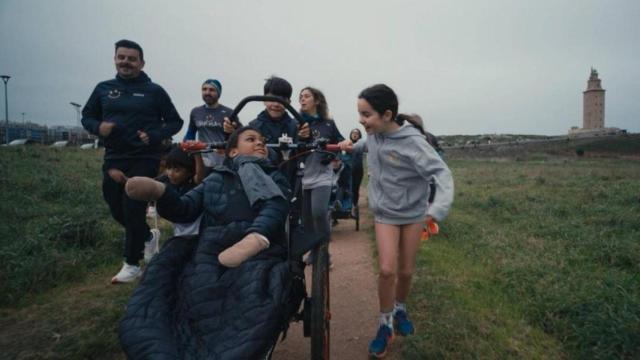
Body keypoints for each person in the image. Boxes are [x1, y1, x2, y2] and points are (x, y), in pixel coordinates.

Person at [119, 126, 292, 358]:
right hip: (211, 247)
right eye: (251, 139)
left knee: (251, 293)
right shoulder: (215, 180)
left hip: (258, 248)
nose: (260, 143)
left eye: (263, 140)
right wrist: (162, 192)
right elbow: (185, 210)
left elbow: (275, 206)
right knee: (183, 287)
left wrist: (257, 236)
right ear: (232, 152)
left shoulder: (274, 177)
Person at [338, 84, 454, 358]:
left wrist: (435, 211)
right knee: (387, 269)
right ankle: (385, 324)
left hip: (414, 214)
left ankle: (401, 308)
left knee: (405, 271)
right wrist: (352, 147)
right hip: (385, 214)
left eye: (366, 114)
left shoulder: (414, 142)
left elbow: (442, 174)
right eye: (359, 114)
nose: (361, 120)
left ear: (387, 114)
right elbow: (366, 144)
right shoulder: (375, 135)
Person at [81, 39, 183, 284]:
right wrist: (98, 127)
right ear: (115, 59)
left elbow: (174, 122)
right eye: (121, 57)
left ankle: (131, 263)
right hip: (114, 158)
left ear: (142, 62)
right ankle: (148, 236)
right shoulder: (103, 89)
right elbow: (87, 116)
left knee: (133, 207)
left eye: (131, 58)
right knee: (116, 208)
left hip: (145, 157)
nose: (125, 62)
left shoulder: (154, 91)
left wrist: (155, 135)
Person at [297, 87, 344, 264]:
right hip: (302, 176)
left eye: (306, 96)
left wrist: (334, 156)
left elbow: (340, 141)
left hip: (322, 176)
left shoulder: (328, 123)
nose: (302, 99)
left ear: (317, 101)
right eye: (300, 97)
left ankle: (324, 251)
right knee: (306, 221)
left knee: (318, 212)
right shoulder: (297, 123)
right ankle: (314, 251)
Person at [183, 79, 241, 168]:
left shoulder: (229, 112)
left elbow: (242, 133)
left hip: (224, 160)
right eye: (204, 89)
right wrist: (185, 145)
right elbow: (190, 132)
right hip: (203, 161)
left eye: (211, 90)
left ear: (219, 93)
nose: (207, 92)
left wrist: (233, 130)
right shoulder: (196, 112)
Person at [248, 76, 299, 165]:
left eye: (282, 100)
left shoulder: (296, 126)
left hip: (290, 176)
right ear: (263, 100)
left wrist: (305, 137)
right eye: (272, 99)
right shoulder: (253, 126)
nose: (276, 104)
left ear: (289, 103)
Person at [349, 128, 364, 211]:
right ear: (350, 135)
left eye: (357, 133)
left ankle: (354, 205)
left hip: (358, 171)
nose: (354, 134)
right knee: (348, 188)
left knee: (355, 188)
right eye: (353, 133)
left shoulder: (361, 145)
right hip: (348, 171)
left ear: (359, 136)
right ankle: (347, 205)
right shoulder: (347, 145)